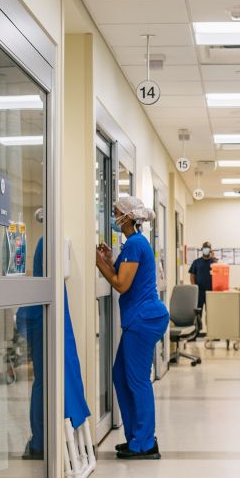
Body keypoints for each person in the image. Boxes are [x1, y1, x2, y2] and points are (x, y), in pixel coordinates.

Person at [96, 196, 170, 460]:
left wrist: (97, 261)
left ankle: (146, 443)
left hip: (144, 319)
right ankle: (136, 437)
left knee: (137, 380)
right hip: (140, 318)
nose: (113, 216)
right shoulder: (133, 245)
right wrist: (107, 259)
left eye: (116, 212)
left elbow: (120, 284)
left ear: (127, 217)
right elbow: (124, 274)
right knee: (120, 375)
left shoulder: (136, 243)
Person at [188, 241, 215, 310]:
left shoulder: (214, 262)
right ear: (202, 249)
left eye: (208, 248)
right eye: (205, 248)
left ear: (210, 250)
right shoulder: (196, 262)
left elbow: (218, 274)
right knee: (198, 313)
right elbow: (192, 276)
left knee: (211, 313)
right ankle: (198, 321)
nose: (206, 249)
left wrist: (213, 258)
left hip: (211, 292)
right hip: (199, 292)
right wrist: (195, 288)